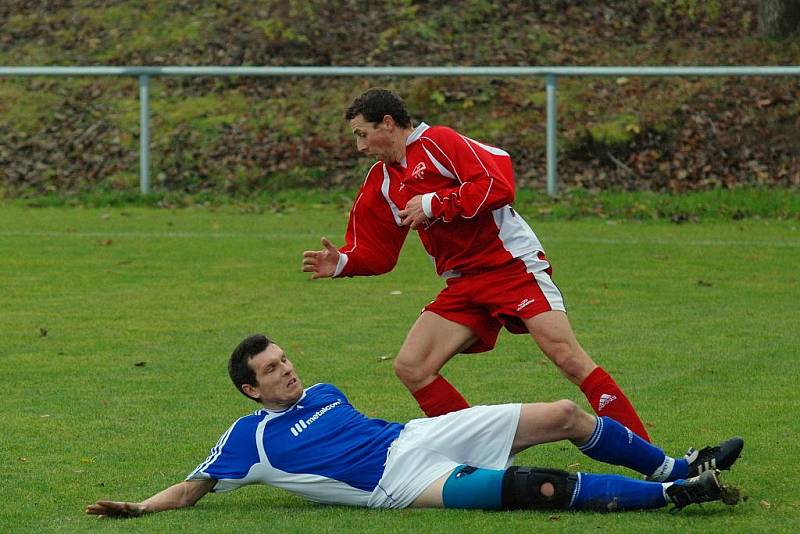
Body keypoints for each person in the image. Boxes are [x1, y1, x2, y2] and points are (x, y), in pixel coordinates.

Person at [302, 88, 651, 441]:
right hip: (463, 284)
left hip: (511, 267)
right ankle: (482, 450)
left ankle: (653, 459)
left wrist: (435, 203)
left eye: (362, 134)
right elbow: (378, 252)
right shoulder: (382, 181)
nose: (360, 146)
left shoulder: (439, 142)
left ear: (388, 124)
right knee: (413, 366)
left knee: (568, 358)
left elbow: (498, 184)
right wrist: (344, 261)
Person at [86, 334, 744, 518]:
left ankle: (677, 466)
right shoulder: (246, 439)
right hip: (397, 486)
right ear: (250, 387)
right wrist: (139, 507)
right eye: (272, 370)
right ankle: (674, 497)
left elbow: (376, 424)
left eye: (286, 359)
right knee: (527, 488)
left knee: (567, 415)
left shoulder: (324, 391)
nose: (288, 371)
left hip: (414, 437)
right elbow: (192, 487)